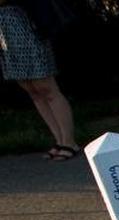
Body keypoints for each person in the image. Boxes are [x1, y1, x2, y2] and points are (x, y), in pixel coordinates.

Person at [0, 0, 78, 160]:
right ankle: (59, 140)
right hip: (4, 27)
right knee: (31, 89)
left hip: (24, 22)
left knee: (46, 87)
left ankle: (69, 142)